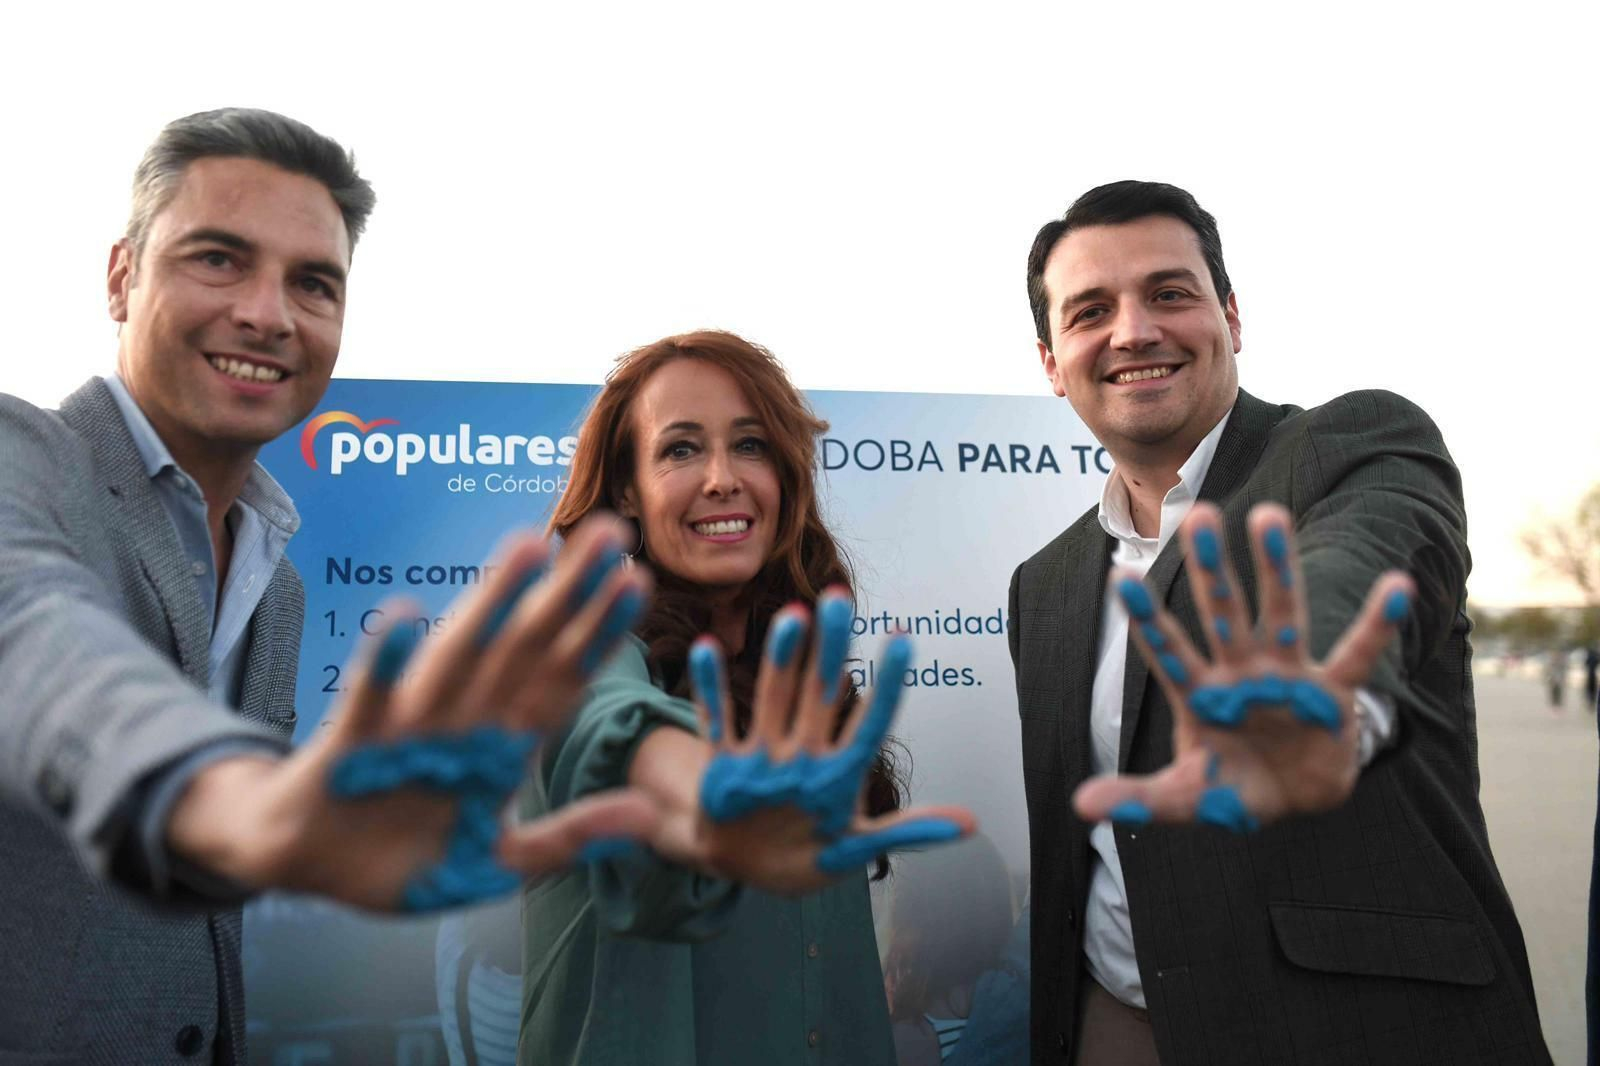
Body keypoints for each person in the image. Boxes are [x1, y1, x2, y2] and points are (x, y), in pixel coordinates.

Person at [0, 108, 658, 1065]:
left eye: (313, 283)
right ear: (120, 276)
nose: (269, 313)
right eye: (218, 259)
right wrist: (225, 797)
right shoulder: (25, 461)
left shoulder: (281, 585)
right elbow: (41, 639)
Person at [1007, 181, 1549, 1064]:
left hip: (1361, 1036)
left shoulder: (1354, 446)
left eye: (1169, 294)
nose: (1134, 330)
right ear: (1051, 361)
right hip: (1115, 1029)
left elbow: (1366, 559)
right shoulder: (1044, 587)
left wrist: (1316, 680)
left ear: (1230, 315)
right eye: (1091, 310)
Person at [519, 330, 976, 1065]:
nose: (723, 478)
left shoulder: (806, 685)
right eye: (681, 449)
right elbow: (606, 728)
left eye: (752, 445)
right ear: (628, 489)